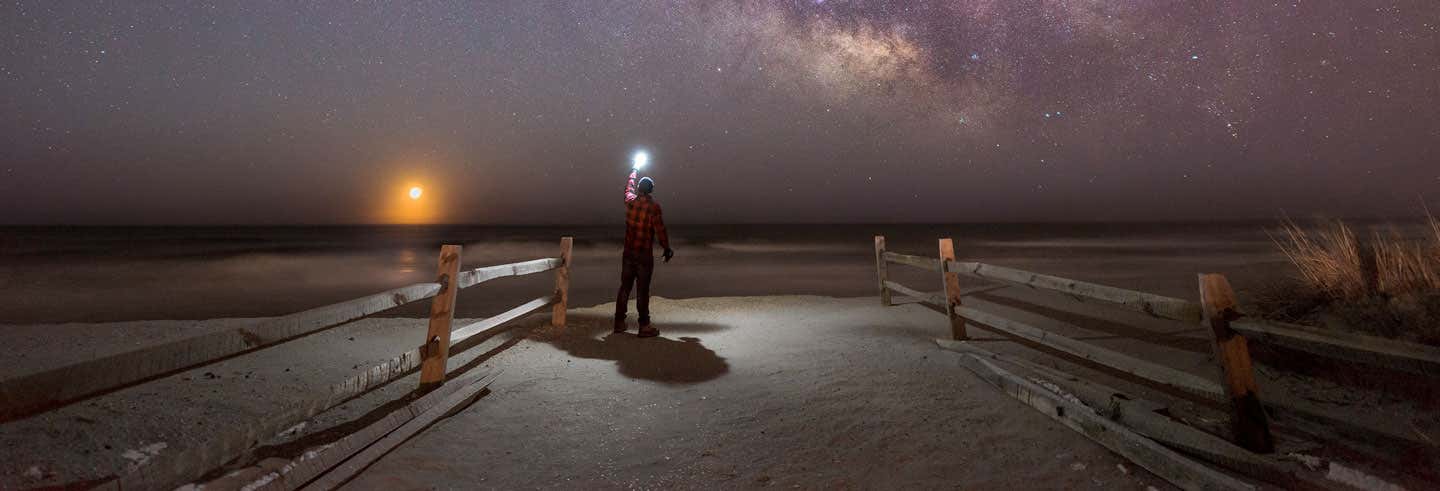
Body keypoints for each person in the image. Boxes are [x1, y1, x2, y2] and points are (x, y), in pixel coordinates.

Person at [616, 166, 673, 337]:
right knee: (642, 291)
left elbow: (628, 189)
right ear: (651, 190)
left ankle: (619, 323)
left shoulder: (631, 202)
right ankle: (644, 326)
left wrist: (633, 172)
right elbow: (660, 230)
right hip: (643, 255)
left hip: (628, 253)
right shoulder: (653, 207)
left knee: (624, 288)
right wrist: (666, 248)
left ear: (639, 189)